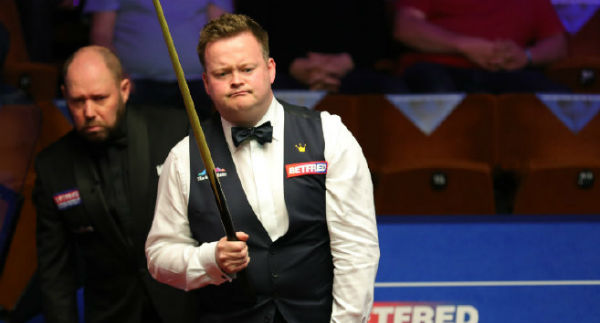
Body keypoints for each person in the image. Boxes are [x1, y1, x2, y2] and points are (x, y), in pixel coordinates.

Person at [145, 13, 380, 323]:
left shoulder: (329, 136)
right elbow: (159, 255)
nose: (236, 79)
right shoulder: (183, 158)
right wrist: (209, 259)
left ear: (270, 69)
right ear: (206, 83)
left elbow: (357, 250)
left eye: (246, 68)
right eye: (222, 73)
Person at [33, 45, 206, 323]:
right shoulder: (53, 166)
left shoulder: (174, 129)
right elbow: (55, 274)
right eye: (77, 101)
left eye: (100, 98)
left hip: (191, 322)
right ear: (65, 96)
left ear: (124, 89)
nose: (89, 112)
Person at [84, 0, 232, 117]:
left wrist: (221, 77)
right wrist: (117, 75)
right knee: (141, 144)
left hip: (197, 84)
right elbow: (101, 35)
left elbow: (220, 34)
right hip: (136, 85)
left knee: (197, 144)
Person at [393, 0, 569, 93]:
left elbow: (557, 43)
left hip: (507, 73)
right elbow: (405, 27)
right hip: (440, 67)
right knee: (437, 94)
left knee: (556, 99)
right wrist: (464, 46)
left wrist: (527, 56)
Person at [235, 0, 405, 93]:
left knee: (392, 92)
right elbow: (250, 29)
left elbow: (379, 34)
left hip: (352, 68)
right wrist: (292, 63)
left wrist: (347, 61)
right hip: (282, 69)